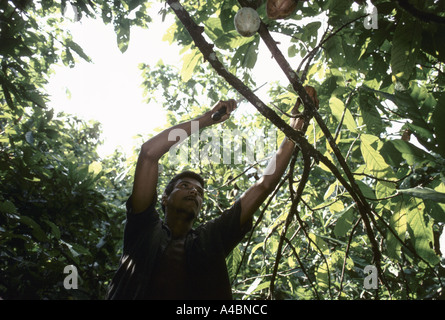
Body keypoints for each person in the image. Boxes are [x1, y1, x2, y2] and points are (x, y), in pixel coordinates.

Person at [106, 99, 305, 300]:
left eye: (200, 192)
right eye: (185, 186)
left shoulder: (212, 238)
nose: (194, 192)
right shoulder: (144, 227)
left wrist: (295, 128)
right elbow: (149, 154)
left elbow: (264, 185)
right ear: (165, 199)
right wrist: (206, 119)